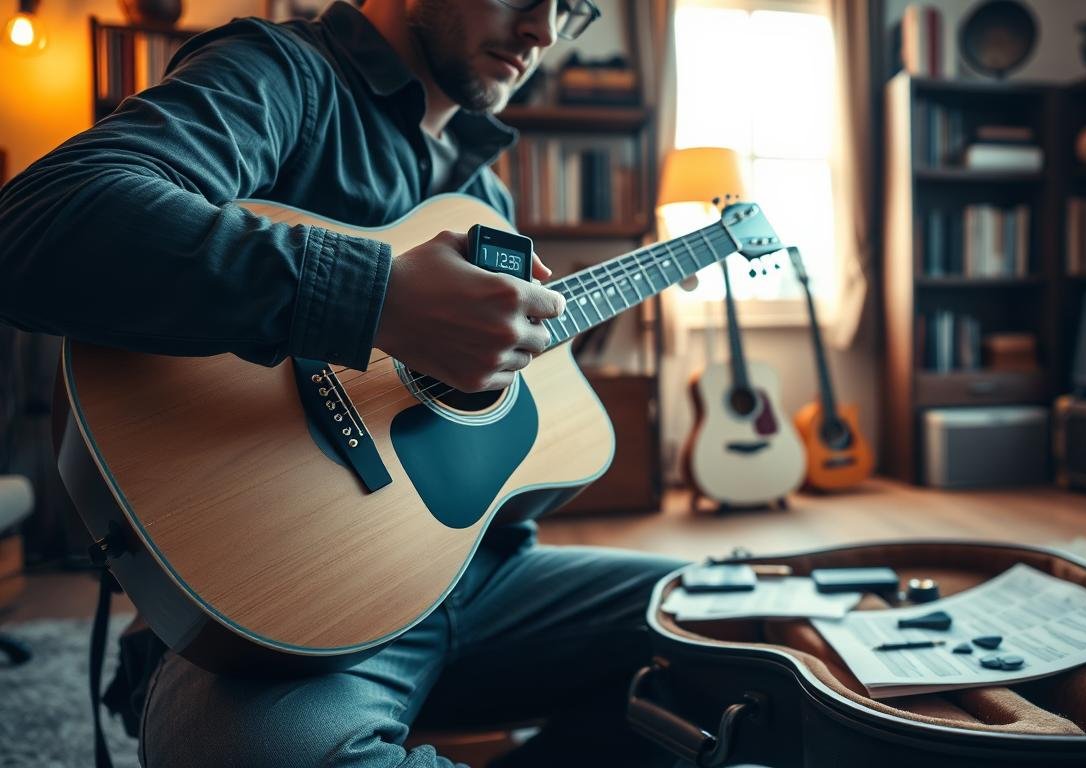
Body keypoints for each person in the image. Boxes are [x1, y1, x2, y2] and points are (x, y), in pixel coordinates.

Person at [0, 1, 688, 765]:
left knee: (733, 633)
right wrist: (375, 299)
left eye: (571, 8)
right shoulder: (281, 73)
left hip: (478, 577)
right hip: (278, 605)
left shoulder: (486, 200)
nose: (545, 32)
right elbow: (43, 223)